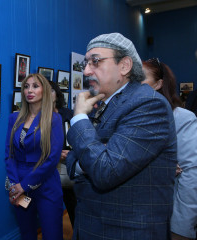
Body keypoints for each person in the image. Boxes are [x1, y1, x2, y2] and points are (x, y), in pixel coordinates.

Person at [65, 33, 177, 240]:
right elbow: (75, 159)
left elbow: (105, 170)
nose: (87, 70)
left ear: (124, 66)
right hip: (94, 224)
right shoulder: (105, 105)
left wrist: (79, 119)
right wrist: (92, 155)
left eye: (95, 61)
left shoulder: (148, 104)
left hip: (125, 231)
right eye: (86, 63)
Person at [142, 58, 197, 240]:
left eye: (141, 80)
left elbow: (191, 176)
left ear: (158, 84)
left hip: (166, 217)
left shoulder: (182, 118)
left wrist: (181, 230)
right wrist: (160, 167)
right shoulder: (130, 119)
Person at [5, 73, 64, 240]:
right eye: (26, 86)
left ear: (44, 91)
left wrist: (25, 185)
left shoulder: (54, 119)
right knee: (27, 233)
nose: (29, 90)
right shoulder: (14, 118)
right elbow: (9, 153)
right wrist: (15, 184)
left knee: (52, 234)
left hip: (46, 183)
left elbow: (52, 159)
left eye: (35, 86)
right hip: (18, 184)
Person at [48, 80, 76, 227]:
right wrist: (55, 155)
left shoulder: (68, 114)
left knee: (75, 212)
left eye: (51, 90)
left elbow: (82, 138)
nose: (48, 93)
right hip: (47, 174)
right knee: (51, 217)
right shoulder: (35, 118)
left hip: (69, 172)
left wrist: (73, 153)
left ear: (57, 95)